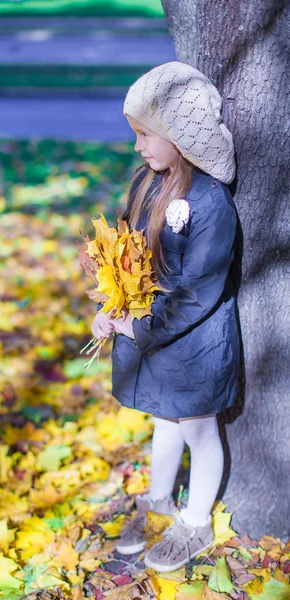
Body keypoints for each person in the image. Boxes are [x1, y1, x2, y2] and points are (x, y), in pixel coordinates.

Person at [91, 61, 240, 572]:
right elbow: (129, 258)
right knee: (164, 422)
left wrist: (141, 325)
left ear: (179, 136)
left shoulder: (211, 203)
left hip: (194, 345)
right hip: (152, 335)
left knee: (199, 430)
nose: (137, 146)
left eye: (144, 134)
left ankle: (196, 520)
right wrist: (110, 308)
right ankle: (158, 502)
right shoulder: (149, 184)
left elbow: (199, 290)